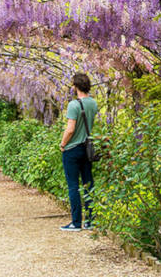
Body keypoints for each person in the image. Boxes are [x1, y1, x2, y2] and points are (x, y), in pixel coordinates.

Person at [58, 72, 98, 231]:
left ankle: (75, 222)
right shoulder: (93, 103)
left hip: (72, 150)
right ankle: (90, 220)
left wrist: (62, 144)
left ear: (76, 87)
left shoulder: (73, 105)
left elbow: (70, 129)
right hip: (87, 148)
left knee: (73, 185)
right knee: (88, 184)